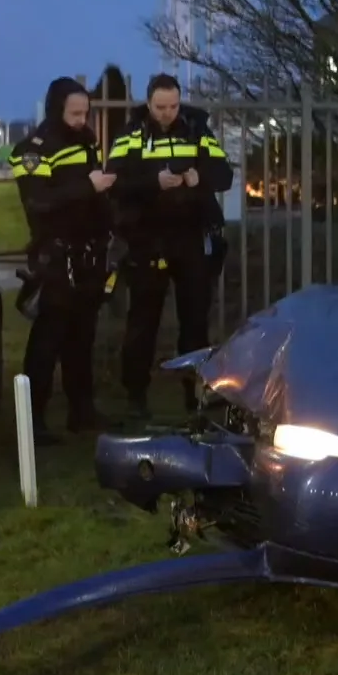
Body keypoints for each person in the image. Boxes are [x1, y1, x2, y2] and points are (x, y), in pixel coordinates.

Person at [107, 73, 234, 419]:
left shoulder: (196, 130)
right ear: (148, 103)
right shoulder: (131, 136)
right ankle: (136, 397)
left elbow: (224, 174)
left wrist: (199, 178)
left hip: (191, 239)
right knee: (143, 322)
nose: (167, 113)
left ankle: (195, 397)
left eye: (173, 106)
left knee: (195, 321)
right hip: (147, 240)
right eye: (160, 106)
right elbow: (113, 181)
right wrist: (153, 182)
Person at [9, 77, 118, 438]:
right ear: (57, 109)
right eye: (75, 113)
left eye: (85, 112)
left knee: (81, 338)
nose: (81, 119)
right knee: (47, 340)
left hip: (87, 257)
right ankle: (33, 421)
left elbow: (92, 200)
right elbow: (38, 202)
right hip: (55, 258)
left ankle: (82, 412)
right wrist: (89, 186)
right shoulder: (33, 150)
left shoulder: (85, 143)